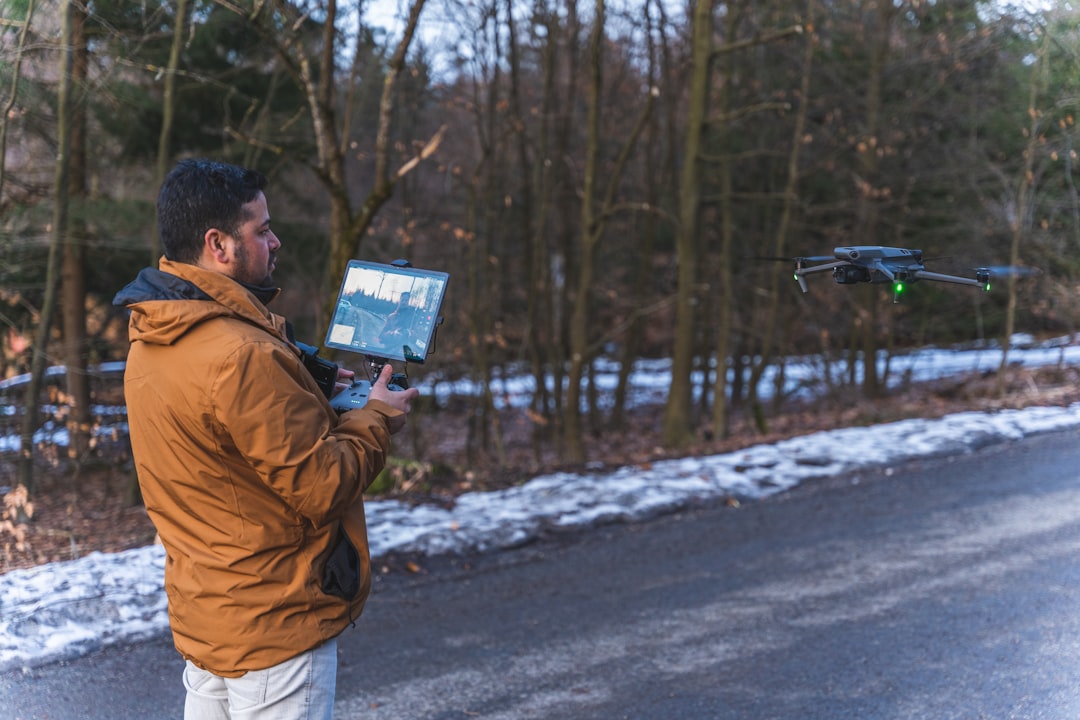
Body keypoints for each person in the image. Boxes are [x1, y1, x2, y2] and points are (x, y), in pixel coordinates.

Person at [113, 158, 419, 719]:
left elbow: (221, 447)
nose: (275, 241)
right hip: (275, 626)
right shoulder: (242, 354)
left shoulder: (154, 334)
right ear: (218, 244)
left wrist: (305, 385)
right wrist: (376, 417)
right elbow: (323, 486)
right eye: (261, 229)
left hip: (210, 615)